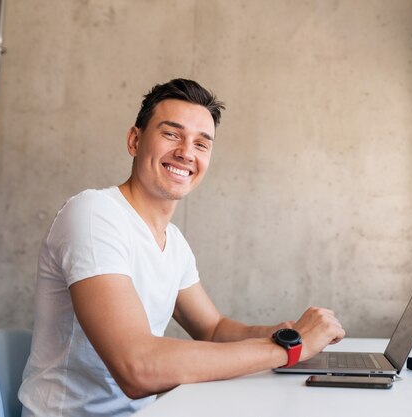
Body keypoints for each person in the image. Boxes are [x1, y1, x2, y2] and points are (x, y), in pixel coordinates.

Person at [18, 79, 345, 417]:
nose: (187, 152)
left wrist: (288, 333)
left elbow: (213, 329)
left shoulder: (173, 242)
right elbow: (138, 368)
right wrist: (290, 349)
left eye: (202, 144)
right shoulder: (94, 214)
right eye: (172, 134)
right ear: (135, 140)